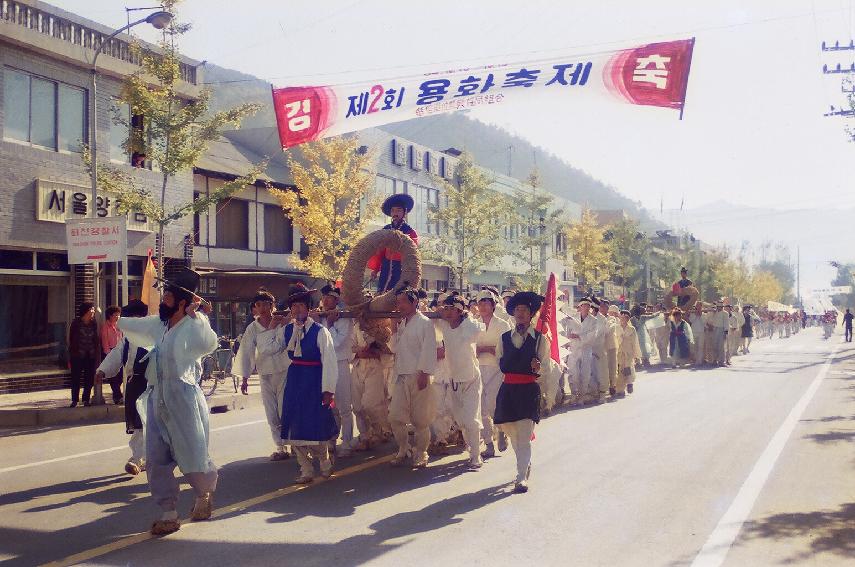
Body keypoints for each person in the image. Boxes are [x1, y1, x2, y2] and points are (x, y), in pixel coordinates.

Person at [117, 269, 219, 535]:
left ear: (183, 302)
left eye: (169, 297)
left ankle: (203, 495)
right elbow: (135, 326)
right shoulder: (159, 325)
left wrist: (200, 319)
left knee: (192, 452)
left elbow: (209, 344)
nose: (164, 301)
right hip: (157, 396)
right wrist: (119, 321)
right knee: (155, 457)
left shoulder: (194, 324)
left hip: (183, 398)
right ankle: (168, 512)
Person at [258, 283, 338, 484]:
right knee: (293, 425)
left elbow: (329, 361)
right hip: (294, 380)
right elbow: (268, 350)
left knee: (314, 425)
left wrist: (328, 389)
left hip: (314, 379)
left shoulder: (320, 332)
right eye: (294, 307)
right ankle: (306, 468)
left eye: (301, 306)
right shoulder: (286, 331)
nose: (297, 310)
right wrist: (272, 327)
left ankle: (324, 460)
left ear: (309, 309)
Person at [494, 291, 549, 494]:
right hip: (508, 389)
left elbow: (547, 368)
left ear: (531, 314)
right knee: (514, 434)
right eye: (517, 310)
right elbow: (498, 362)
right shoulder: (504, 338)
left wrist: (537, 368)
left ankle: (520, 477)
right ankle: (524, 465)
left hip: (528, 390)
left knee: (524, 436)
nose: (520, 313)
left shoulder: (540, 339)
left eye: (525, 310)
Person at [232, 289, 291, 461]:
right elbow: (247, 352)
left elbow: (284, 344)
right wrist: (244, 378)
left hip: (284, 371)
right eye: (259, 305)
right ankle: (281, 448)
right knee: (271, 413)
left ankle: (294, 443)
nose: (263, 307)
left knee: (284, 410)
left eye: (267, 304)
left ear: (272, 306)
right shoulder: (252, 328)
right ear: (254, 309)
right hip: (265, 374)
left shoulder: (282, 323)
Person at [95, 300, 151, 476]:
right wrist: (102, 370)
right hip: (134, 384)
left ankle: (142, 459)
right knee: (138, 422)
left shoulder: (154, 336)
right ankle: (139, 458)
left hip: (151, 384)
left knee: (148, 422)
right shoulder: (127, 338)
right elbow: (117, 354)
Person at [389, 286, 438, 468]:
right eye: (398, 301)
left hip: (419, 375)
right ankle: (403, 448)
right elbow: (394, 349)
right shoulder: (402, 323)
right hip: (401, 375)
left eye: (403, 301)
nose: (399, 305)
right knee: (395, 417)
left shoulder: (424, 323)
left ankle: (421, 453)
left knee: (420, 420)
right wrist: (394, 329)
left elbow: (429, 350)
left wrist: (424, 373)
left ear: (414, 301)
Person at [436, 292, 484, 470]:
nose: (447, 312)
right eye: (445, 308)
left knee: (471, 420)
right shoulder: (444, 325)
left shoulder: (468, 325)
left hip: (471, 378)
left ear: (459, 311)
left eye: (451, 309)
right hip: (454, 379)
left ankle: (476, 456)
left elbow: (478, 330)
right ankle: (472, 445)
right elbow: (427, 318)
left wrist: (467, 316)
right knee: (461, 420)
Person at [316, 284, 355, 458]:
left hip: (340, 363)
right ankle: (331, 439)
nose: (325, 301)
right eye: (323, 298)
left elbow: (336, 342)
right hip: (324, 365)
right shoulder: (320, 316)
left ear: (336, 300)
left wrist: (330, 324)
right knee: (330, 407)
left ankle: (347, 442)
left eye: (329, 298)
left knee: (345, 407)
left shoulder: (344, 317)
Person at [475, 289, 512, 458]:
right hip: (477, 369)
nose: (483, 306)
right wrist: (483, 349)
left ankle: (502, 431)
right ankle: (488, 443)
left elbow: (506, 348)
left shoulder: (503, 325)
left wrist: (490, 349)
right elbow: (468, 347)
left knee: (494, 405)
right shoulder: (473, 324)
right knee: (480, 408)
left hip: (497, 370)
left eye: (486, 303)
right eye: (480, 303)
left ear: (493, 305)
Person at [351, 317, 393, 450]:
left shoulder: (381, 326)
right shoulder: (356, 325)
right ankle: (365, 437)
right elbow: (350, 347)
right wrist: (359, 352)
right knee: (357, 406)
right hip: (358, 366)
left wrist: (374, 350)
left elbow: (388, 348)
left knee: (371, 404)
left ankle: (379, 429)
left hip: (374, 366)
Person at [367, 194, 419, 292]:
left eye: (399, 210)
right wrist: (376, 269)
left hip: (401, 267)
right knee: (382, 292)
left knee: (397, 293)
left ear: (405, 212)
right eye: (393, 210)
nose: (395, 213)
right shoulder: (386, 230)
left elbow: (413, 254)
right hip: (386, 265)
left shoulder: (410, 232)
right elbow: (380, 251)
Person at [68, 302, 99, 408]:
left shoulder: (94, 323)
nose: (93, 311)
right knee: (75, 378)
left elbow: (95, 339)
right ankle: (74, 400)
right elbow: (71, 339)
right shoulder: (76, 323)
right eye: (92, 309)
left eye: (94, 309)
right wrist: (71, 354)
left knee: (89, 379)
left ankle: (86, 399)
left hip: (90, 355)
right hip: (77, 355)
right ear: (86, 311)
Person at [101, 305, 124, 405]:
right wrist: (109, 356)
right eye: (115, 315)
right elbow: (105, 342)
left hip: (120, 352)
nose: (118, 317)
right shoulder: (105, 327)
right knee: (113, 377)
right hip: (110, 352)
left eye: (119, 315)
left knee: (120, 376)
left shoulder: (120, 326)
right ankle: (117, 396)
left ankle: (116, 395)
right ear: (110, 316)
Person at [615, 310, 642, 396]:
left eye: (625, 318)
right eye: (621, 318)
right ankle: (620, 389)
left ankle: (629, 383)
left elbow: (635, 342)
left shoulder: (631, 329)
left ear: (628, 319)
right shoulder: (616, 328)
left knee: (628, 368)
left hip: (629, 352)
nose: (623, 319)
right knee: (620, 370)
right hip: (619, 352)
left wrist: (637, 356)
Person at [687, 302, 708, 366]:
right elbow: (691, 321)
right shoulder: (693, 313)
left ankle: (699, 360)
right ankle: (695, 359)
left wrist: (700, 315)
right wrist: (696, 315)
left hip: (701, 332)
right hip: (693, 331)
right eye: (697, 306)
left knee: (700, 346)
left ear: (701, 306)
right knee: (694, 346)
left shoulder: (704, 314)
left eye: (699, 306)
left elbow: (704, 322)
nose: (698, 307)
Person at [709, 302, 729, 367]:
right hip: (714, 329)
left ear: (722, 307)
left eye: (720, 307)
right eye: (718, 307)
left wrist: (726, 332)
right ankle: (714, 360)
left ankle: (722, 361)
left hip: (721, 330)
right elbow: (711, 320)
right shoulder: (714, 313)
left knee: (721, 346)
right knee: (714, 345)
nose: (719, 308)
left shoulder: (725, 313)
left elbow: (726, 322)